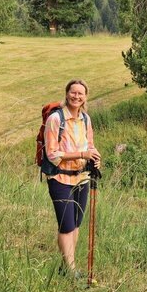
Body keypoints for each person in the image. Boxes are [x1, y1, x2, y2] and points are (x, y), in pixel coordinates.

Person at [44, 79, 101, 276]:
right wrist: (81, 155)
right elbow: (52, 155)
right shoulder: (56, 119)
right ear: (67, 93)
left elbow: (90, 145)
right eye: (73, 92)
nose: (76, 96)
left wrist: (94, 157)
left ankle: (68, 265)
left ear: (85, 97)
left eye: (80, 93)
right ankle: (70, 270)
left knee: (76, 224)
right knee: (66, 225)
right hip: (60, 179)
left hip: (82, 177)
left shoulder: (85, 119)